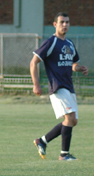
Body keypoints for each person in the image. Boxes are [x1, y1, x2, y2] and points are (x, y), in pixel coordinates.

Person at [31, 12, 89, 161]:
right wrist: (36, 85)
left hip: (69, 87)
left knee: (72, 120)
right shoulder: (51, 42)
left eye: (67, 22)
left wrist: (80, 68)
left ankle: (42, 140)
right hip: (57, 86)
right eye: (62, 22)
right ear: (55, 24)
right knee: (69, 118)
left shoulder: (69, 43)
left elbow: (73, 64)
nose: (65, 25)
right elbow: (33, 62)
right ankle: (64, 154)